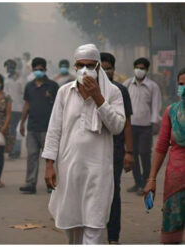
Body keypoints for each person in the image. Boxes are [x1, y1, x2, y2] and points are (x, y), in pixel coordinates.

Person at [42, 44, 126, 244]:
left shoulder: (113, 93)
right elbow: (54, 129)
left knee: (94, 223)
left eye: (90, 65)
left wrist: (98, 98)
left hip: (98, 170)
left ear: (98, 67)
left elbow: (117, 126)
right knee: (72, 226)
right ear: (75, 67)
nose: (85, 70)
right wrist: (49, 164)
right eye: (80, 65)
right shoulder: (64, 92)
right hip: (69, 168)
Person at [143, 68, 185, 244]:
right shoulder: (171, 111)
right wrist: (151, 179)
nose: (183, 88)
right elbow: (161, 147)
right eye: (181, 84)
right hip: (175, 180)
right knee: (171, 232)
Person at [100, 52, 135, 244]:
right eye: (102, 68)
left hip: (115, 150)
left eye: (109, 67)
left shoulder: (121, 90)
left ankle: (113, 236)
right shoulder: (88, 90)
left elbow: (127, 123)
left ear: (114, 69)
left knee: (113, 193)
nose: (106, 71)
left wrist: (129, 152)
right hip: (93, 152)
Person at [19, 57, 59, 194]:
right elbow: (27, 104)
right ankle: (30, 183)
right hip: (32, 127)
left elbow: (59, 107)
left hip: (49, 128)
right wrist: (22, 123)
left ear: (46, 70)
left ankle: (51, 182)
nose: (38, 72)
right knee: (32, 156)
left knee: (50, 158)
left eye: (41, 70)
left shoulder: (53, 86)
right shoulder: (29, 86)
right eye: (35, 70)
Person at [124, 57, 162, 195]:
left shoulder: (152, 86)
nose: (139, 70)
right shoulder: (127, 84)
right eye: (137, 67)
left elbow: (156, 105)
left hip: (146, 126)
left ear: (146, 70)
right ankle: (137, 183)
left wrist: (154, 123)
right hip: (130, 126)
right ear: (133, 68)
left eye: (142, 68)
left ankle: (146, 182)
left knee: (145, 155)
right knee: (132, 155)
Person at [3, 59, 24, 159]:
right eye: (7, 66)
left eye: (11, 66)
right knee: (9, 130)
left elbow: (22, 91)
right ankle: (11, 149)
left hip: (17, 108)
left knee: (14, 129)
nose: (9, 68)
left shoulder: (19, 78)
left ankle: (15, 150)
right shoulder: (5, 77)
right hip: (6, 107)